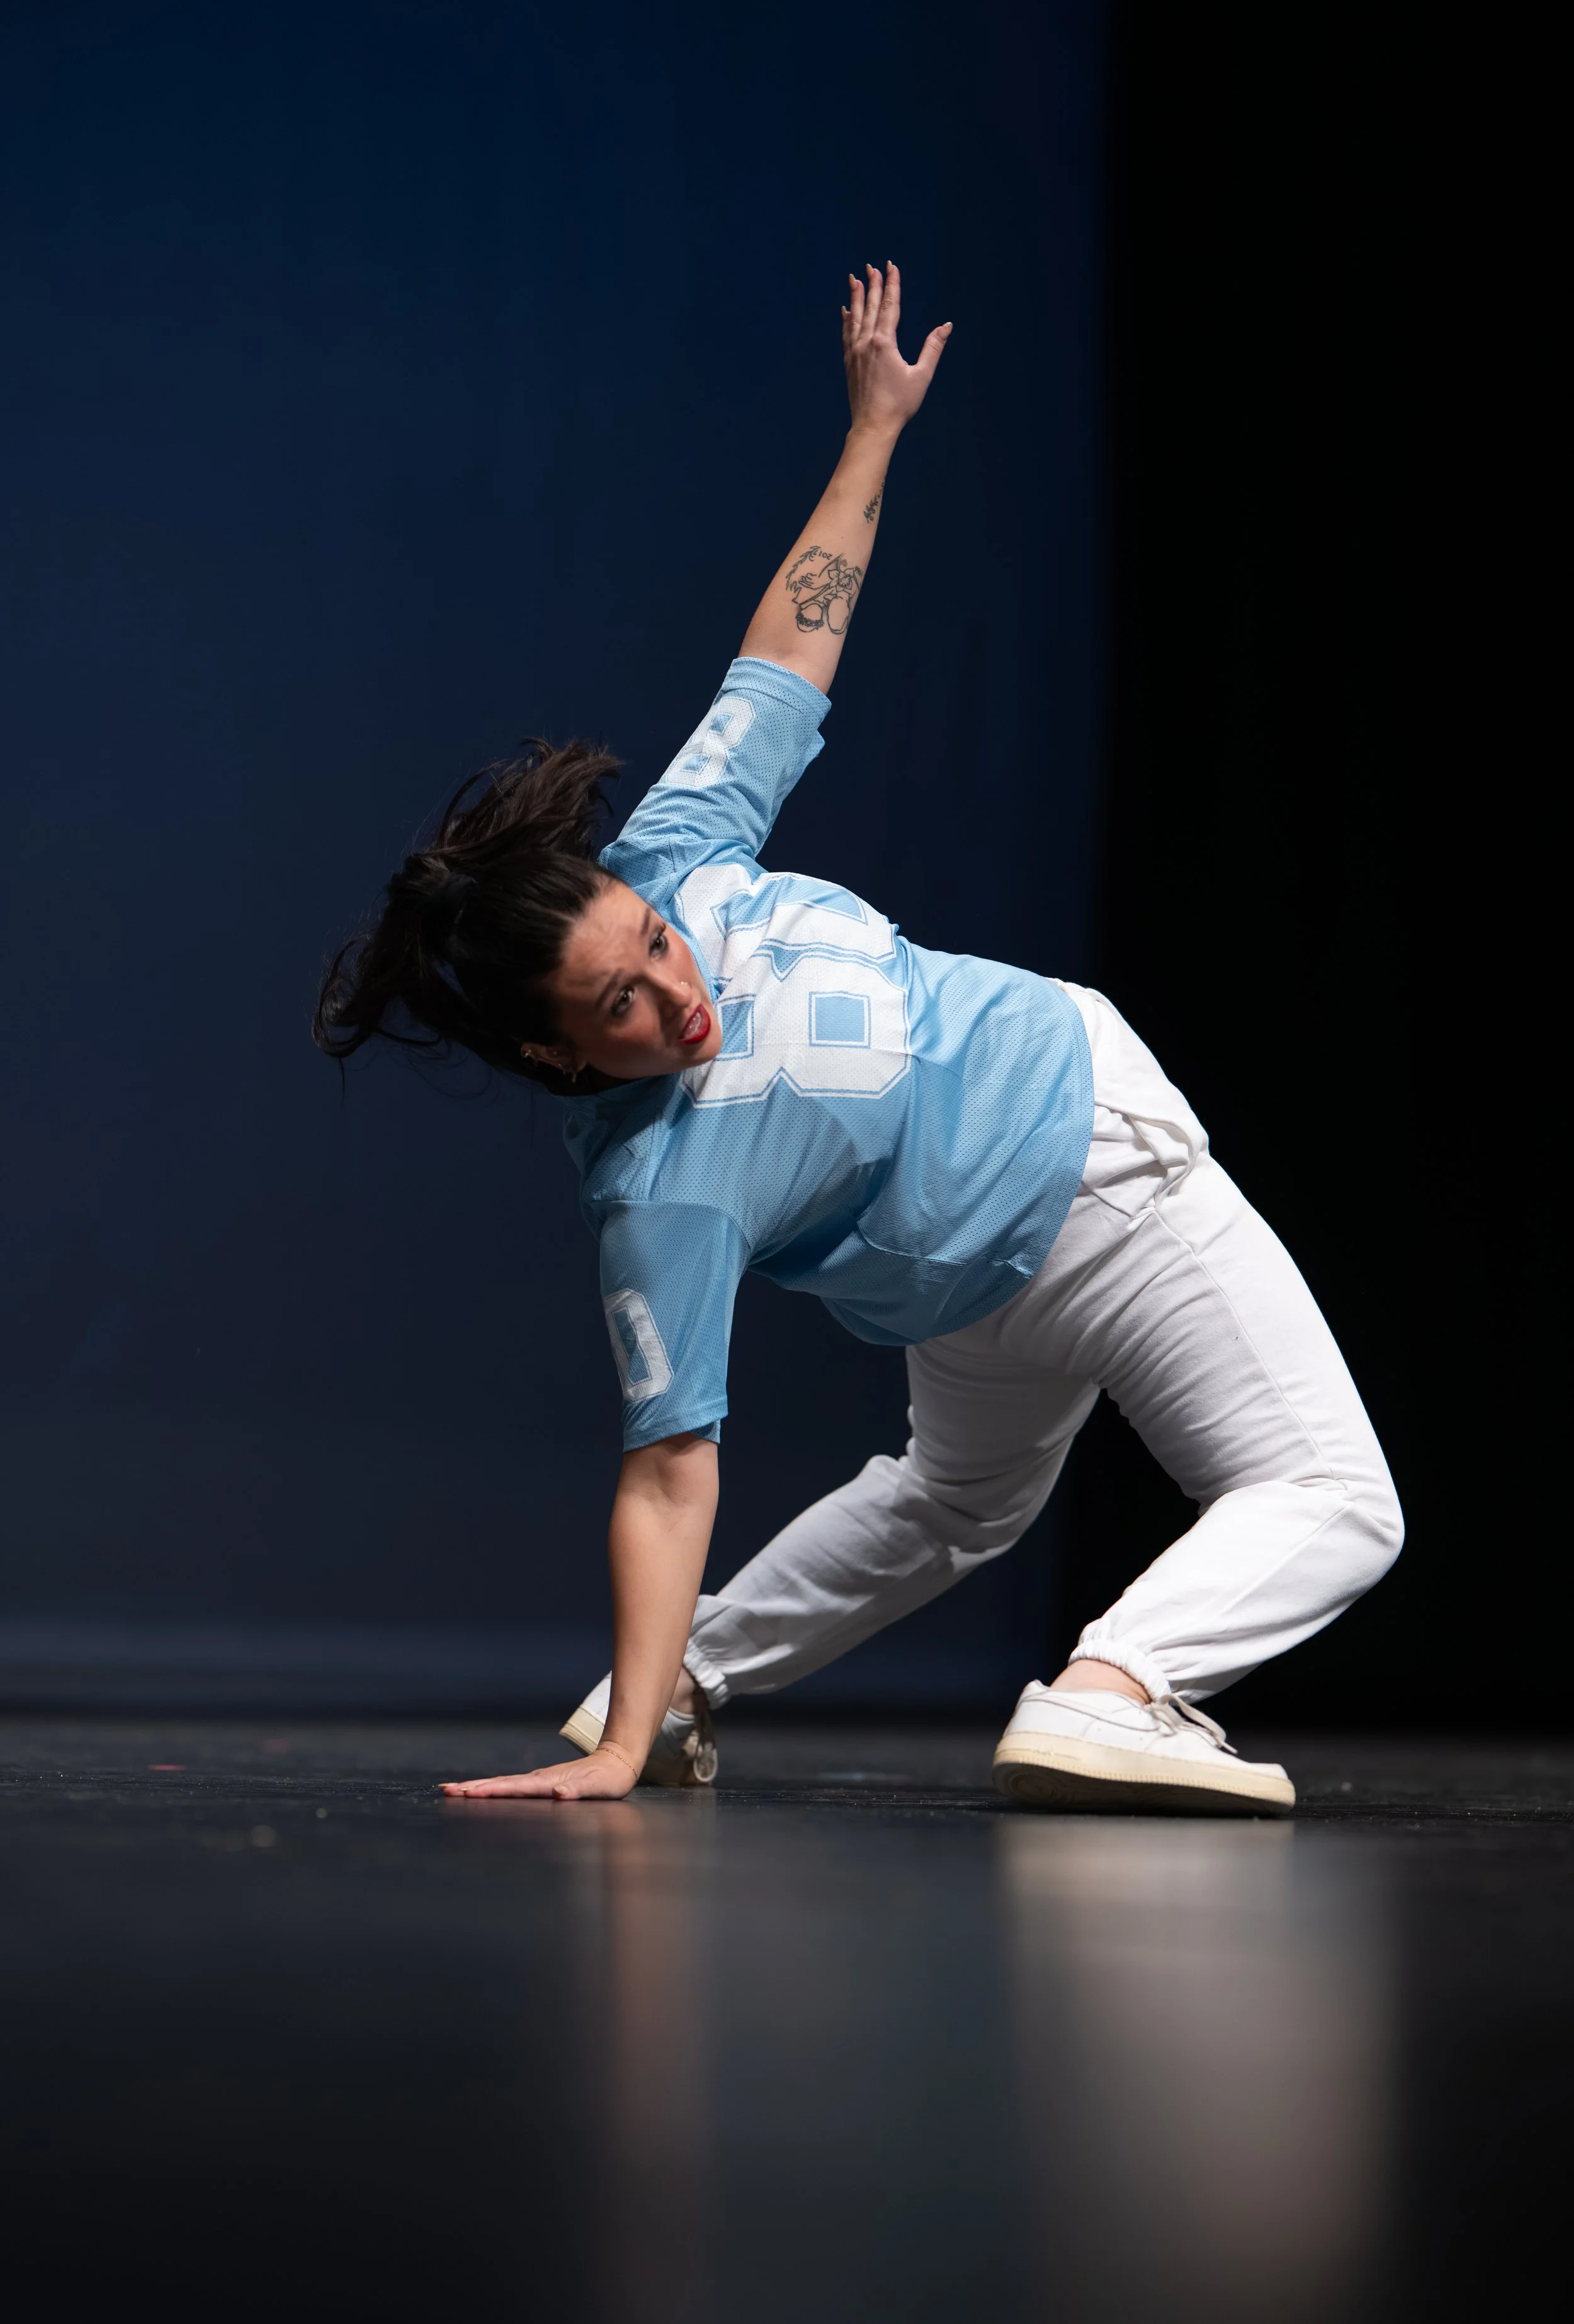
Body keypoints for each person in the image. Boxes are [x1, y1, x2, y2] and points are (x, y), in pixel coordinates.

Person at [316, 265, 1402, 1813]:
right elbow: (666, 1461)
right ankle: (1117, 1689)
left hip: (964, 1289)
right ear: (556, 1063)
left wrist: (871, 429)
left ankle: (689, 1674)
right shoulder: (654, 1191)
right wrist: (616, 1766)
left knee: (950, 1499)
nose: (671, 988)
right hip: (1093, 1161)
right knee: (1332, 1499)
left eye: (652, 948)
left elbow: (786, 651)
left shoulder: (674, 854)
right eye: (618, 1007)